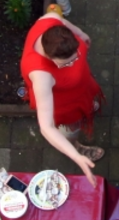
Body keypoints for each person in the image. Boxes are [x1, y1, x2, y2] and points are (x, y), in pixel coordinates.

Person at [20, 10, 105, 185]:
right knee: (70, 130)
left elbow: (60, 19)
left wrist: (81, 34)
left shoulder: (50, 21)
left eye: (76, 56)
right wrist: (76, 158)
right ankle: (75, 146)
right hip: (64, 105)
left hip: (80, 88)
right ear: (49, 56)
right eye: (67, 63)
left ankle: (87, 106)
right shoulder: (41, 76)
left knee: (88, 102)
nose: (75, 62)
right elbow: (46, 127)